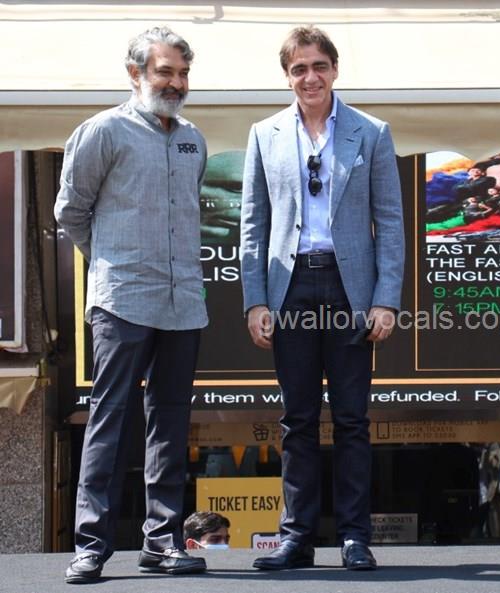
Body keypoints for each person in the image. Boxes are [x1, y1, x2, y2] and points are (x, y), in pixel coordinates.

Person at [240, 25, 404, 572]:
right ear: (287, 76)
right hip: (289, 287)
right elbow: (253, 225)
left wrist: (386, 299)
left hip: (348, 286)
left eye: (318, 66)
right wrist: (255, 300)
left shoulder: (371, 132)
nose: (310, 77)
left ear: (335, 70)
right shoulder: (263, 134)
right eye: (299, 69)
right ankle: (297, 538)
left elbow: (391, 222)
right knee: (297, 419)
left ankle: (355, 537)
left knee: (353, 419)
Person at [54, 26, 208, 584]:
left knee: (171, 423)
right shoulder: (102, 131)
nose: (176, 83)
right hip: (121, 300)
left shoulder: (193, 139)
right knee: (110, 421)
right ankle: (91, 546)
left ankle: (162, 542)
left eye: (183, 74)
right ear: (135, 73)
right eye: (165, 71)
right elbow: (70, 211)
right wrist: (111, 261)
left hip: (183, 302)